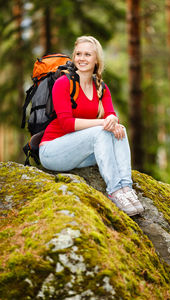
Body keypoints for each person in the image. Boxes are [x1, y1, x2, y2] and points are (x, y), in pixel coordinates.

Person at [39, 35, 144, 217]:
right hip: (52, 151)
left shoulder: (100, 86)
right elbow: (67, 124)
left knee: (120, 130)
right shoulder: (63, 84)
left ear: (96, 60)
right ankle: (115, 191)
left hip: (80, 155)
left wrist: (112, 120)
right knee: (101, 132)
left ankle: (126, 188)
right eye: (78, 54)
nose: (82, 58)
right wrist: (104, 122)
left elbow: (111, 114)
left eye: (87, 54)